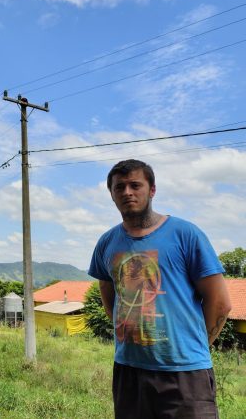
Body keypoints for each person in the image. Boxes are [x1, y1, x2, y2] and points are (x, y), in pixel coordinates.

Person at [89, 159, 232, 419]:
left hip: (185, 373)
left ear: (152, 190)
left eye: (135, 185)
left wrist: (196, 346)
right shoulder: (107, 243)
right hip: (128, 370)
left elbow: (220, 303)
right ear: (111, 194)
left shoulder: (186, 234)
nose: (127, 192)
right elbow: (110, 296)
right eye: (119, 187)